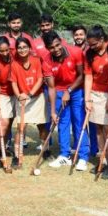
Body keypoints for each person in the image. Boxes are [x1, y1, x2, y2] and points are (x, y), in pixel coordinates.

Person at [45, 31, 89, 170]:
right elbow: (51, 87)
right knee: (62, 123)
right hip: (58, 91)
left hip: (76, 90)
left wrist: (69, 91)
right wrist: (52, 111)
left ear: (61, 41)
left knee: (79, 122)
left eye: (57, 45)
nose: (56, 49)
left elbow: (82, 75)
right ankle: (65, 155)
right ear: (47, 48)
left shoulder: (75, 52)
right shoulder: (46, 60)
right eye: (52, 47)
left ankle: (83, 157)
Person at [9, 37, 52, 167]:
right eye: (19, 48)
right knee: (21, 127)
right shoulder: (14, 64)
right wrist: (19, 96)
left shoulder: (36, 60)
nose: (22, 50)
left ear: (29, 48)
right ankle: (17, 155)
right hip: (22, 98)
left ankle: (46, 150)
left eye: (24, 47)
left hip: (36, 97)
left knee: (41, 126)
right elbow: (14, 83)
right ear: (16, 50)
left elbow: (40, 79)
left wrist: (30, 94)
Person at [83, 25, 108, 177]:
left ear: (102, 39)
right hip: (95, 94)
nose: (92, 47)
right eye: (90, 44)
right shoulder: (89, 54)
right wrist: (88, 99)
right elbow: (88, 76)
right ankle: (103, 159)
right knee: (99, 129)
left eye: (94, 44)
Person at [0, 36, 15, 169]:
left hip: (15, 94)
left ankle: (2, 148)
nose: (5, 53)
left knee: (9, 124)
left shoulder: (15, 56)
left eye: (7, 50)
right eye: (2, 51)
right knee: (3, 123)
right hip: (3, 94)